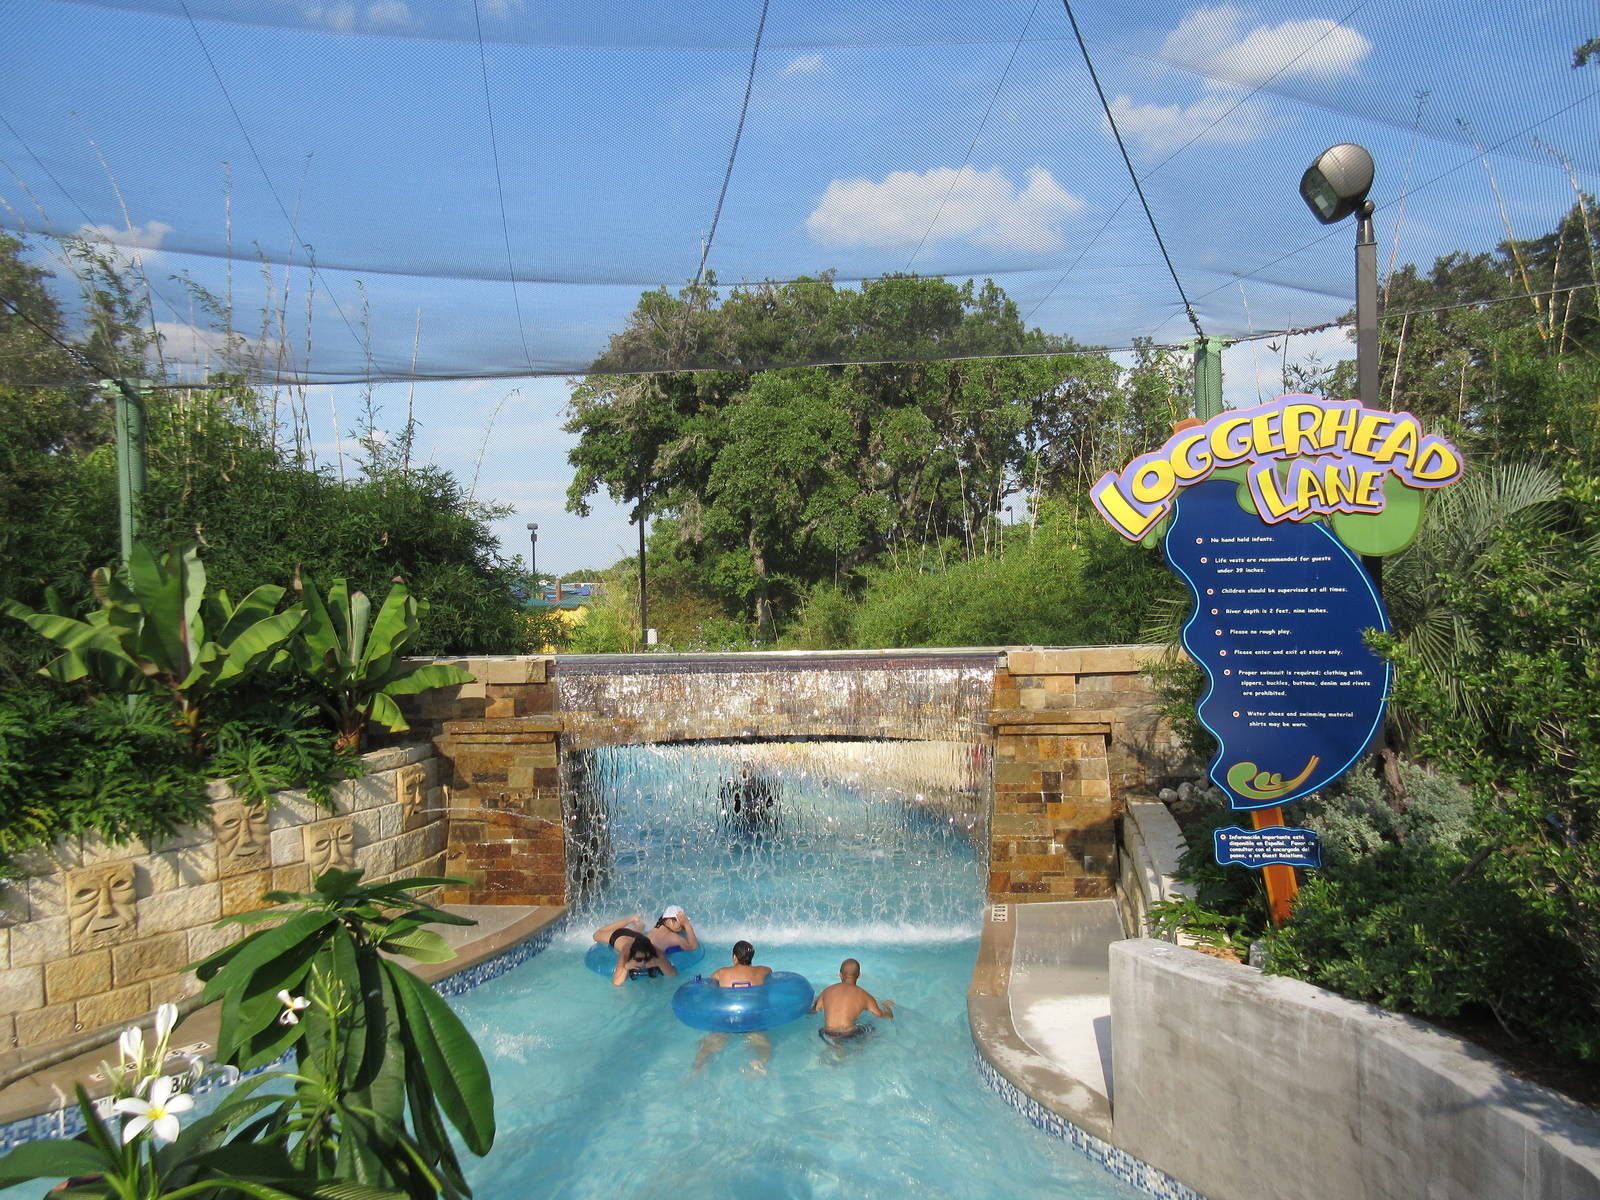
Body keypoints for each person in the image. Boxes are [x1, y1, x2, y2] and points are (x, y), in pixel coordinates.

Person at [694, 940, 772, 1074]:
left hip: (728, 1018)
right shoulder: (762, 970)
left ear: (734, 957)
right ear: (751, 957)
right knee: (763, 1045)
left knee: (708, 1046)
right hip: (752, 1018)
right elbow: (770, 972)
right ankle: (759, 1063)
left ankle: (696, 1069)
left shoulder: (721, 972)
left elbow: (706, 988)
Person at [810, 958, 894, 1043]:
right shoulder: (865, 996)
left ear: (840, 975)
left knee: (836, 1042)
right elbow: (880, 1015)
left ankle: (838, 1050)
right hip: (848, 1034)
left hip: (826, 1033)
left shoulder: (826, 991)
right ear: (859, 975)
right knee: (871, 1027)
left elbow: (814, 1010)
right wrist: (887, 1008)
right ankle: (859, 1048)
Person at [592, 914, 678, 987]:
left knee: (636, 931)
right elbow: (616, 983)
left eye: (647, 958)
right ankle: (630, 919)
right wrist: (626, 967)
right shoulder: (626, 952)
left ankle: (639, 924)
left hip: (638, 937)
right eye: (638, 959)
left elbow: (673, 974)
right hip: (619, 935)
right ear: (631, 956)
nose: (643, 963)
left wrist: (659, 962)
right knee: (596, 935)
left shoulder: (655, 951)